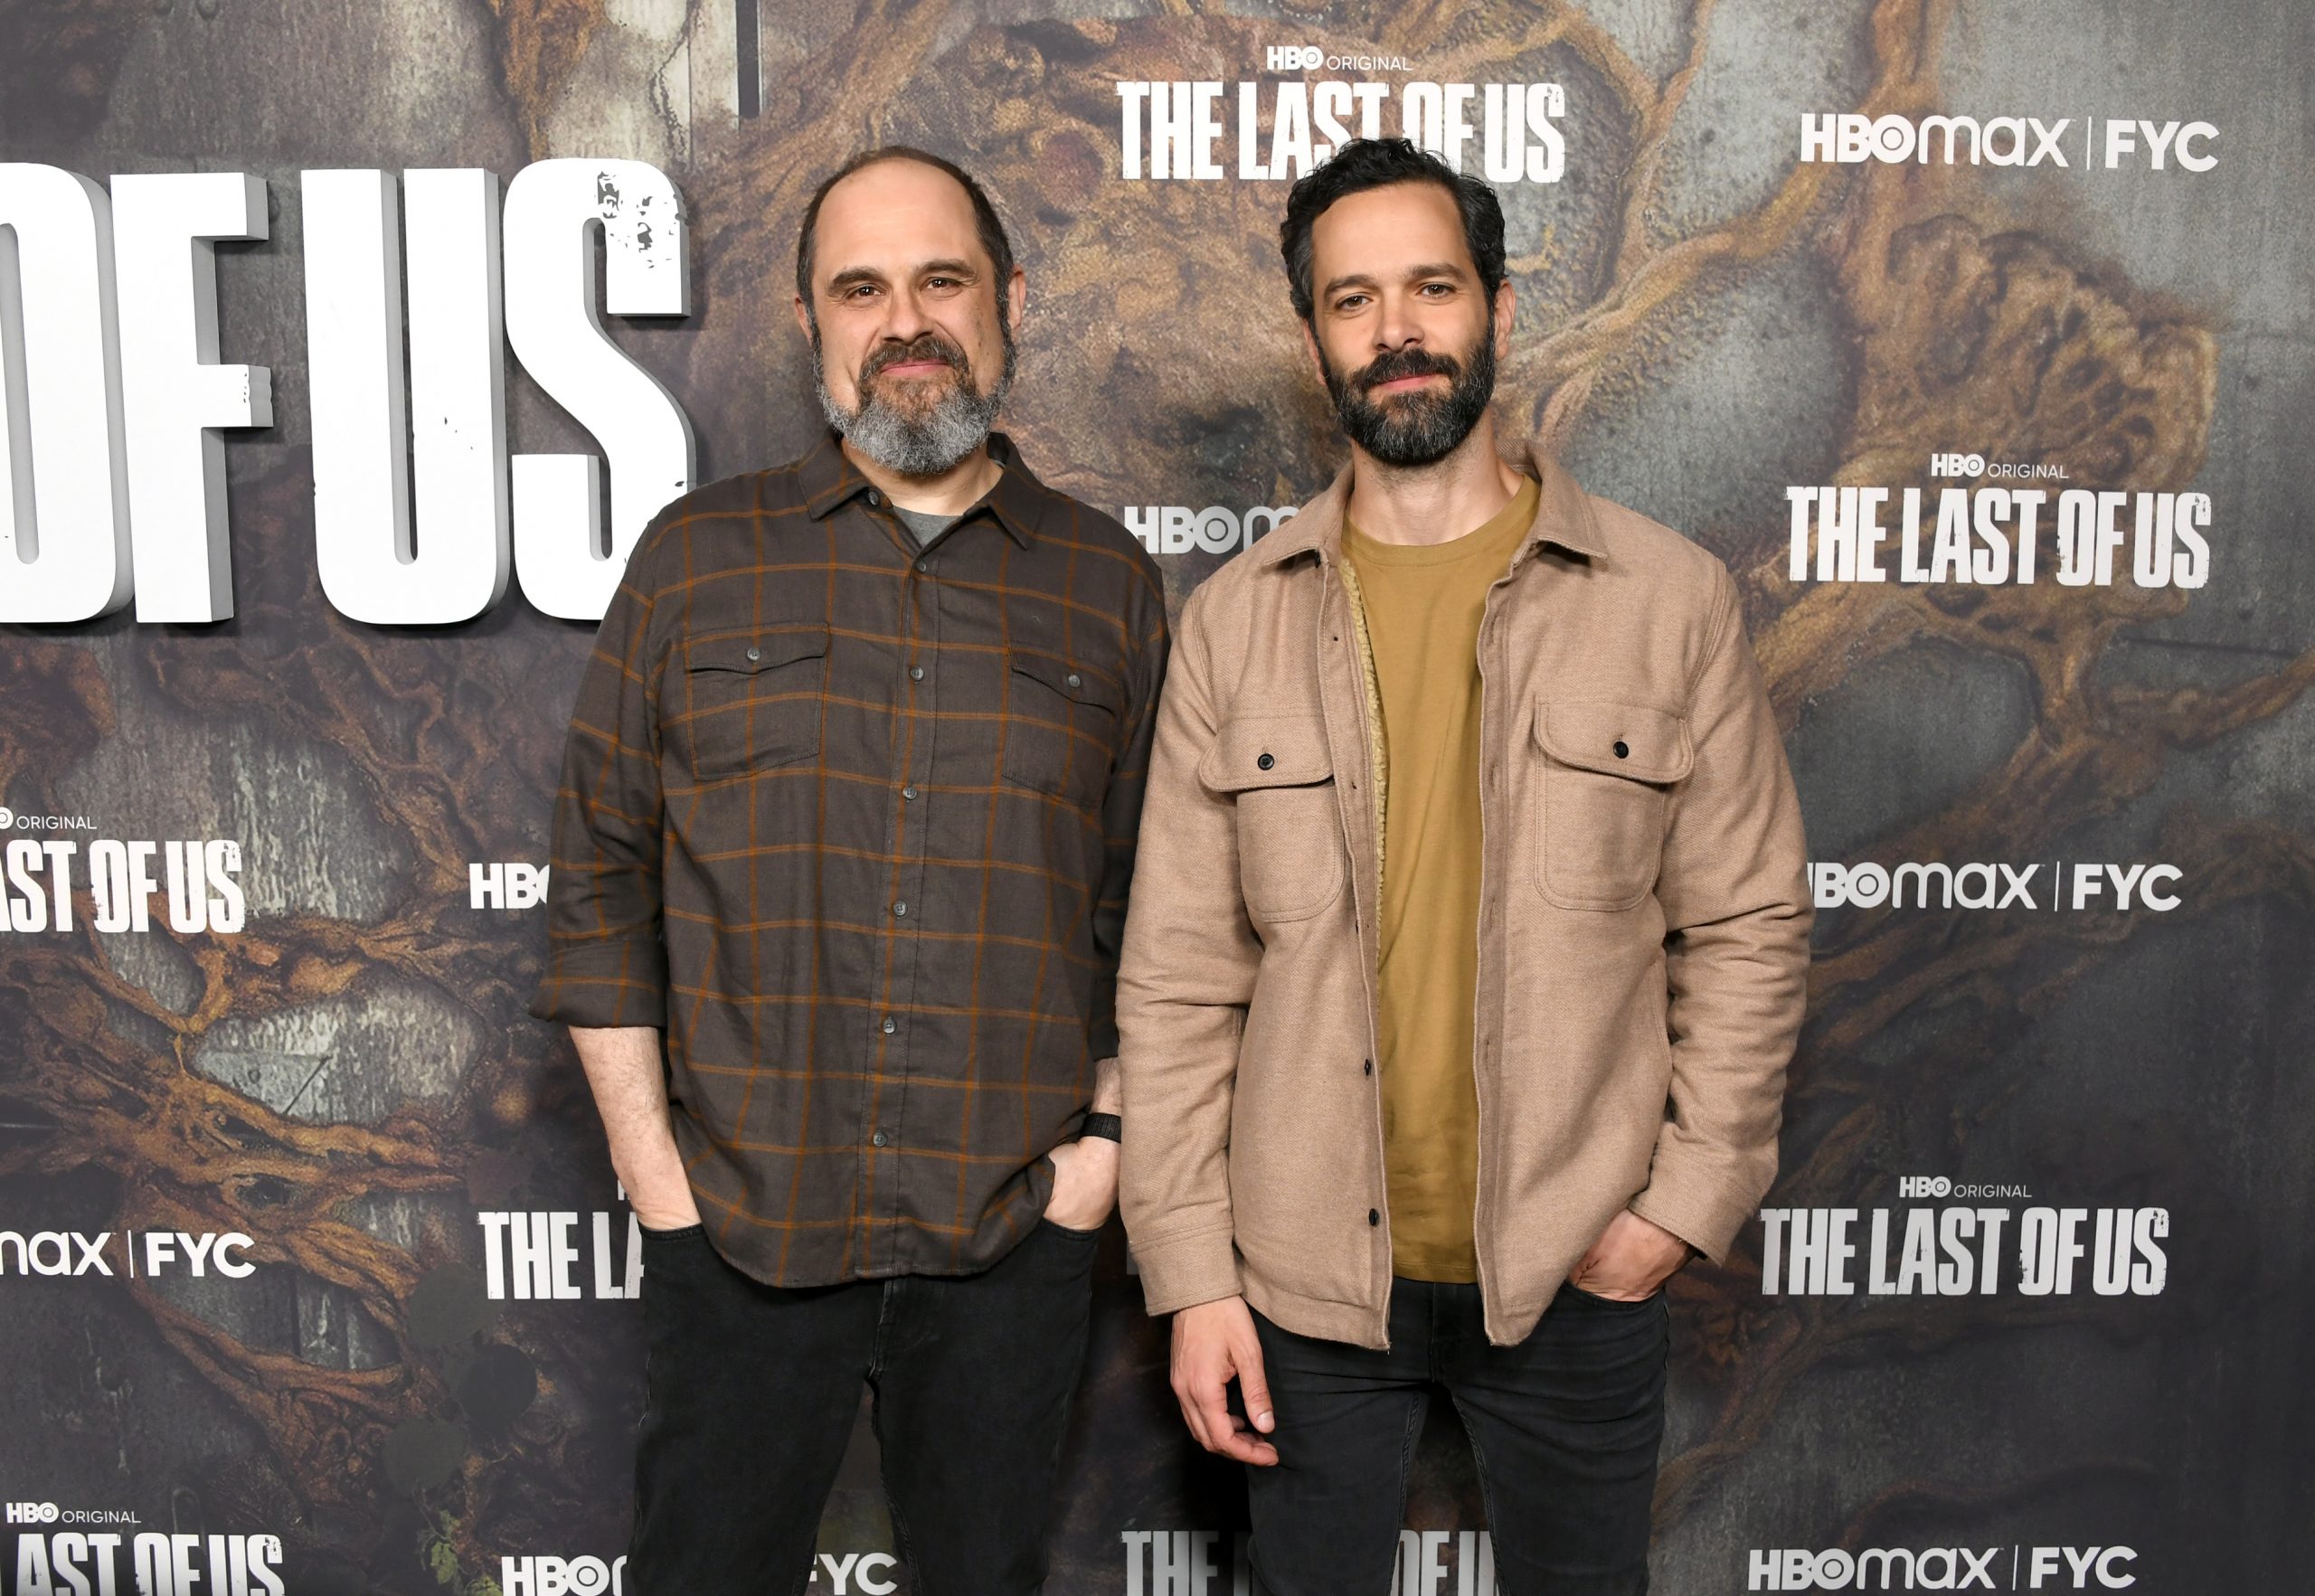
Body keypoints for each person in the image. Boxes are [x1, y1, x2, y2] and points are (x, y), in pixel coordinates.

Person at [1116, 137, 1810, 1595]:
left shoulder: (1668, 601)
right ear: (1312, 336)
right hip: (1301, 1282)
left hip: (1577, 1264)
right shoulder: (1233, 624)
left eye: (1432, 287)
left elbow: (1747, 921)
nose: (1397, 330)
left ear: (1496, 304)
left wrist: (1682, 1200)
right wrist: (1192, 1274)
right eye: (1352, 299)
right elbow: (1179, 978)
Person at [532, 146, 1168, 1596]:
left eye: (941, 280)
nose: (905, 323)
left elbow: (1159, 908)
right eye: (861, 289)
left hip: (1010, 1235)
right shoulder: (697, 560)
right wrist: (656, 1177)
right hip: (740, 1226)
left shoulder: (1106, 582)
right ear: (811, 321)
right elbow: (600, 879)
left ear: (1008, 299)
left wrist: (1100, 1163)